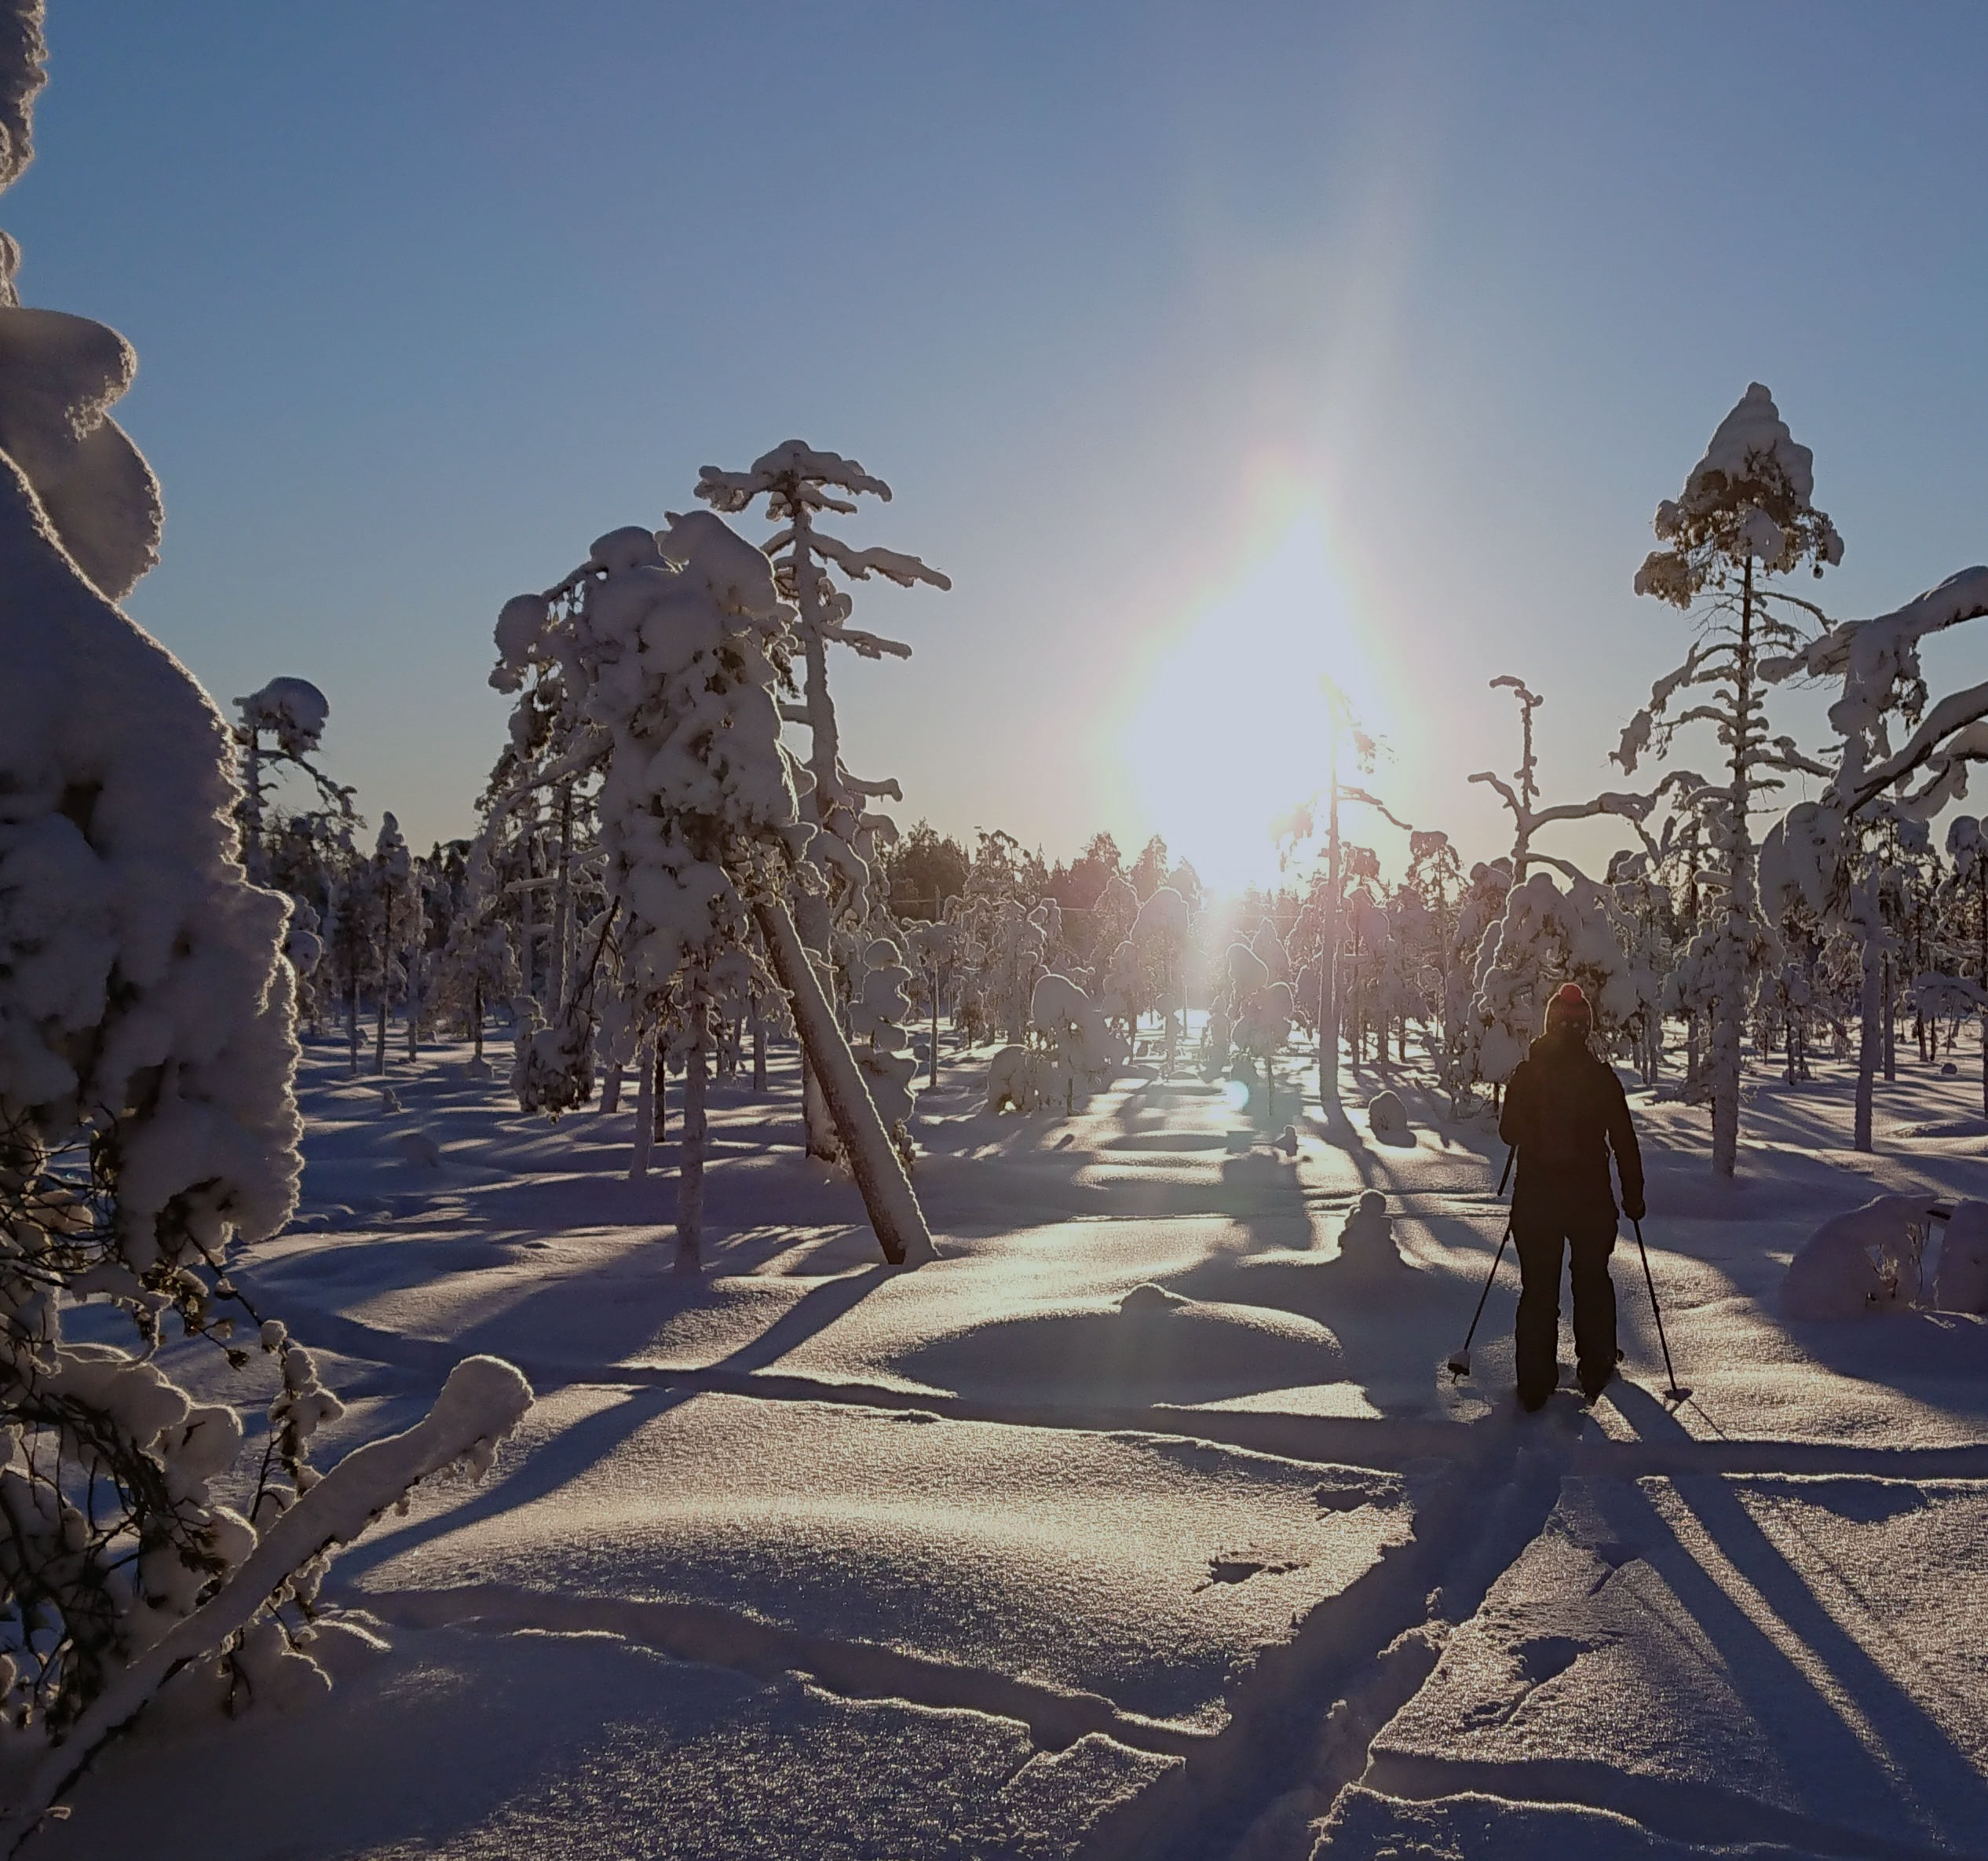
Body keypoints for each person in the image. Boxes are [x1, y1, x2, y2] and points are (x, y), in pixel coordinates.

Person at [1497, 982, 1645, 1411]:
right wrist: (1633, 1197)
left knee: (1538, 1290)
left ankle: (1533, 1384)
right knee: (1592, 1281)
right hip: (1591, 1203)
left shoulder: (1527, 1074)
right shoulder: (1601, 1078)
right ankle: (1597, 1369)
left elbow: (1509, 1133)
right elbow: (1624, 1140)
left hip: (1536, 1204)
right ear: (1585, 1029)